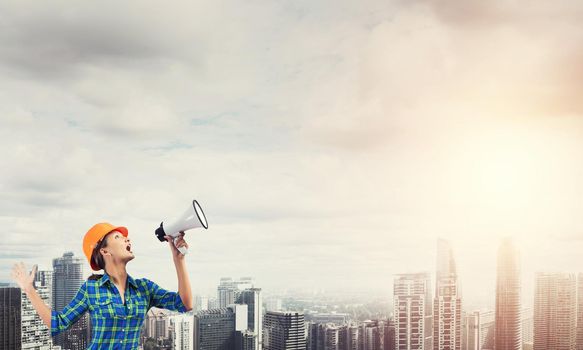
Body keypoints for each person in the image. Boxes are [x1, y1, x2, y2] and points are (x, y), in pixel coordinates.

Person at [11, 222, 193, 349]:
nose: (128, 240)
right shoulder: (91, 290)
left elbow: (184, 304)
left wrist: (179, 259)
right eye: (118, 237)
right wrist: (29, 289)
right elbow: (57, 323)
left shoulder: (144, 288)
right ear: (104, 250)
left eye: (127, 238)